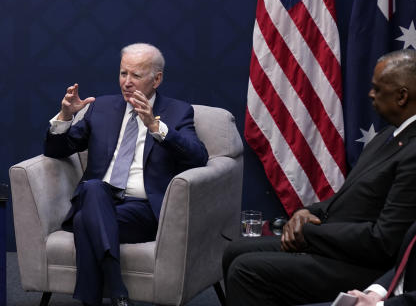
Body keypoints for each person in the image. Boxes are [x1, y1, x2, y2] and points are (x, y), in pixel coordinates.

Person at [223, 49, 416, 306]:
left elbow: (384, 241)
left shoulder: (413, 152)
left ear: (401, 96)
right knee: (234, 251)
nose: (370, 94)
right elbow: (347, 199)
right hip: (338, 246)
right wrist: (306, 212)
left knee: (247, 271)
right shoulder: (387, 136)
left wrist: (311, 232)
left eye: (377, 89)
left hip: (365, 265)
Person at [43, 42, 209, 306]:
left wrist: (156, 126)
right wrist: (65, 116)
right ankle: (116, 288)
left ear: (157, 79)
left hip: (142, 210)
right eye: (123, 73)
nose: (127, 82)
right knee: (94, 188)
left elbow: (198, 157)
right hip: (100, 198)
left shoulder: (178, 112)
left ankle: (97, 296)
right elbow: (57, 150)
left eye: (136, 75)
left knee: (86, 218)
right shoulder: (102, 107)